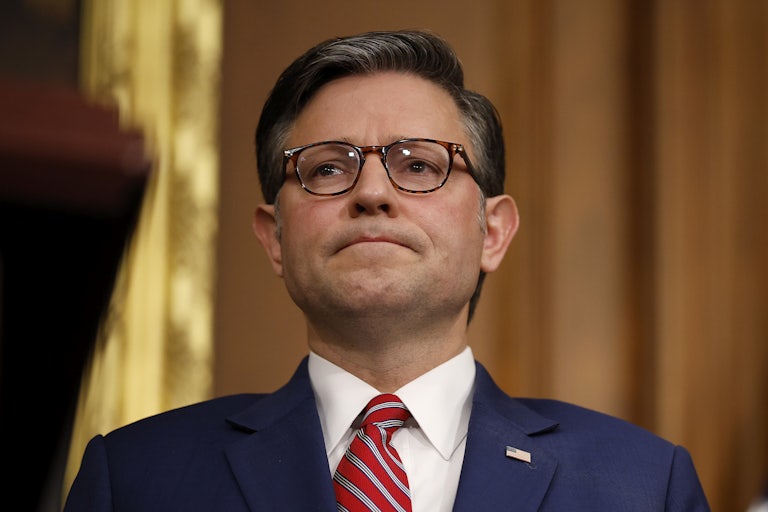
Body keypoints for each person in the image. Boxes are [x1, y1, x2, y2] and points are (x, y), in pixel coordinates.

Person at [64, 29, 710, 511]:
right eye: (326, 167)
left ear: (492, 230)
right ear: (275, 238)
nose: (372, 192)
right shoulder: (138, 477)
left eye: (421, 165)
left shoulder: (642, 484)